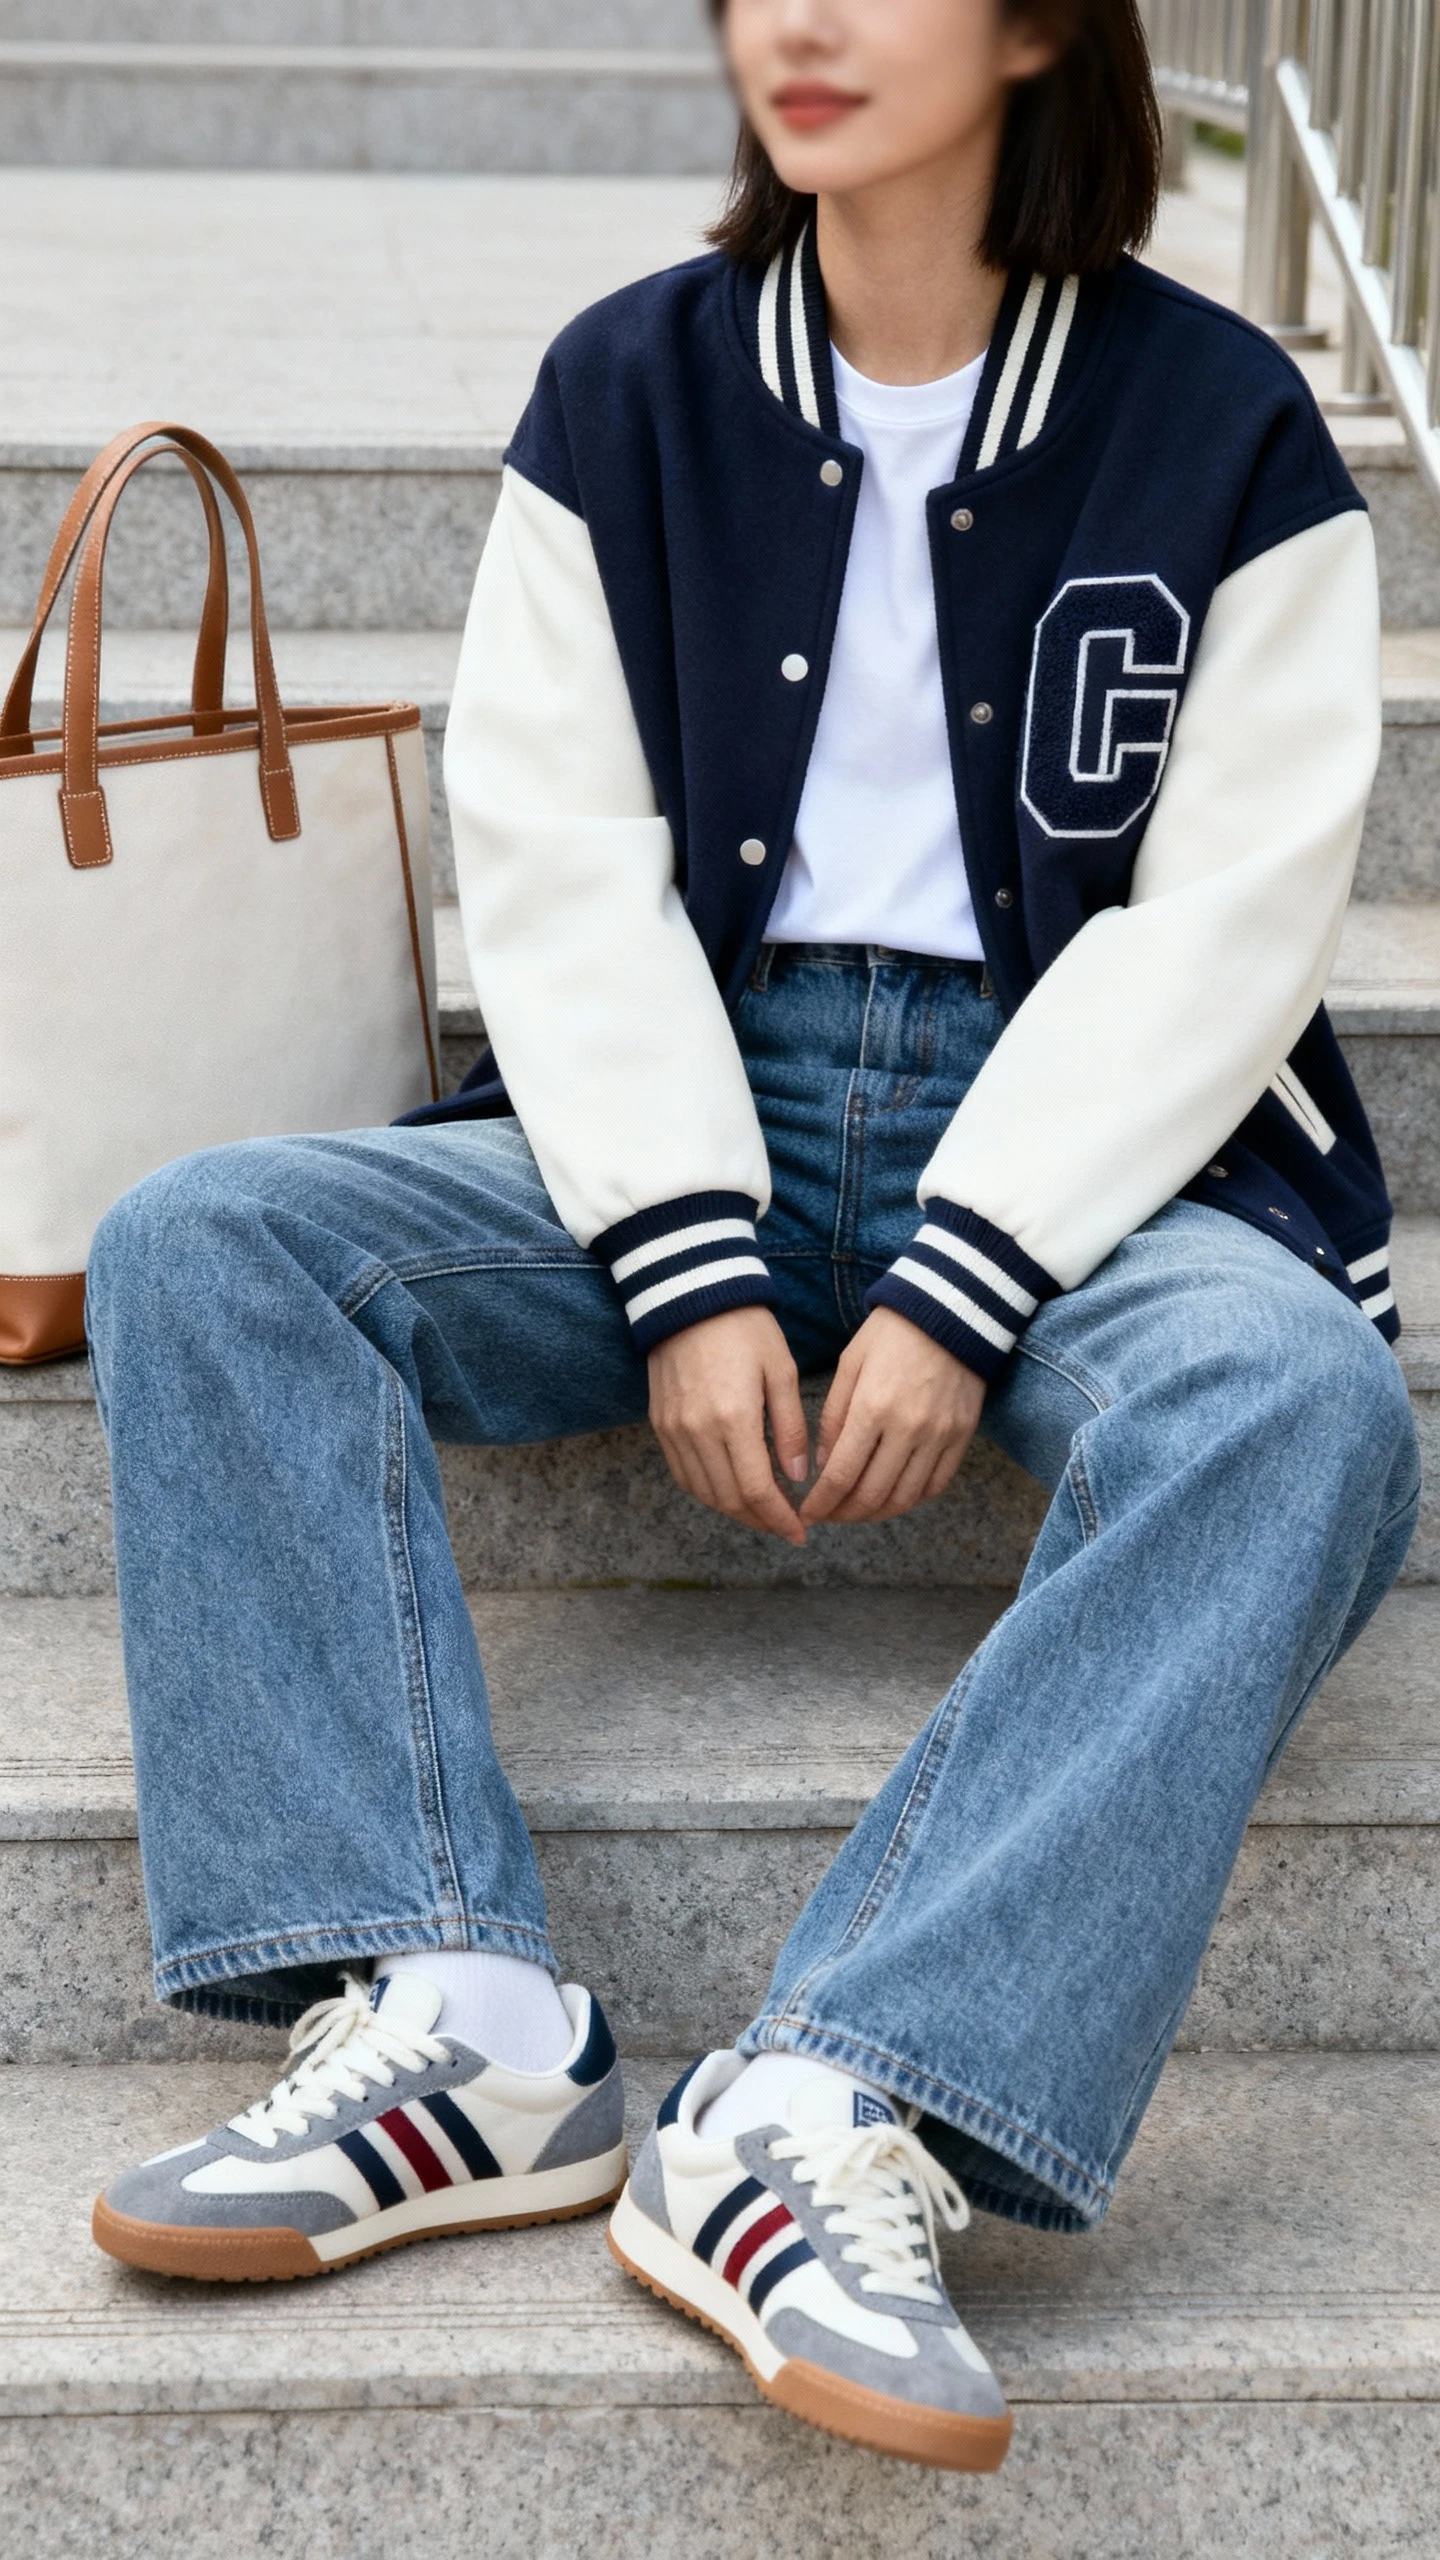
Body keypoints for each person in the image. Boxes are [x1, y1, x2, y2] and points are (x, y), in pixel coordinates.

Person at [83, 0, 1418, 2480]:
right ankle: (462, 2010)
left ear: (1037, 28)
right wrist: (694, 1259)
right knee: (207, 1249)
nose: (799, 19)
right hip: (686, 1090)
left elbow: (1227, 924)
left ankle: (825, 2099)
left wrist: (963, 1271)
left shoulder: (1228, 430)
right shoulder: (631, 391)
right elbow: (565, 860)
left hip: (1084, 1136)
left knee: (1308, 1409)